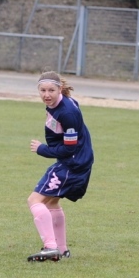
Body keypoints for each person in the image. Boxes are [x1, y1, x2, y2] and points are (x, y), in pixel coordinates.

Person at [26, 71, 94, 263]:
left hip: (72, 162)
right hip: (75, 160)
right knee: (52, 202)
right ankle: (61, 249)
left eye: (51, 90)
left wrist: (42, 149)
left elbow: (69, 147)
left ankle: (50, 247)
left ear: (60, 89)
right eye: (43, 90)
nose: (47, 94)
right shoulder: (58, 105)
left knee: (34, 200)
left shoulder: (67, 112)